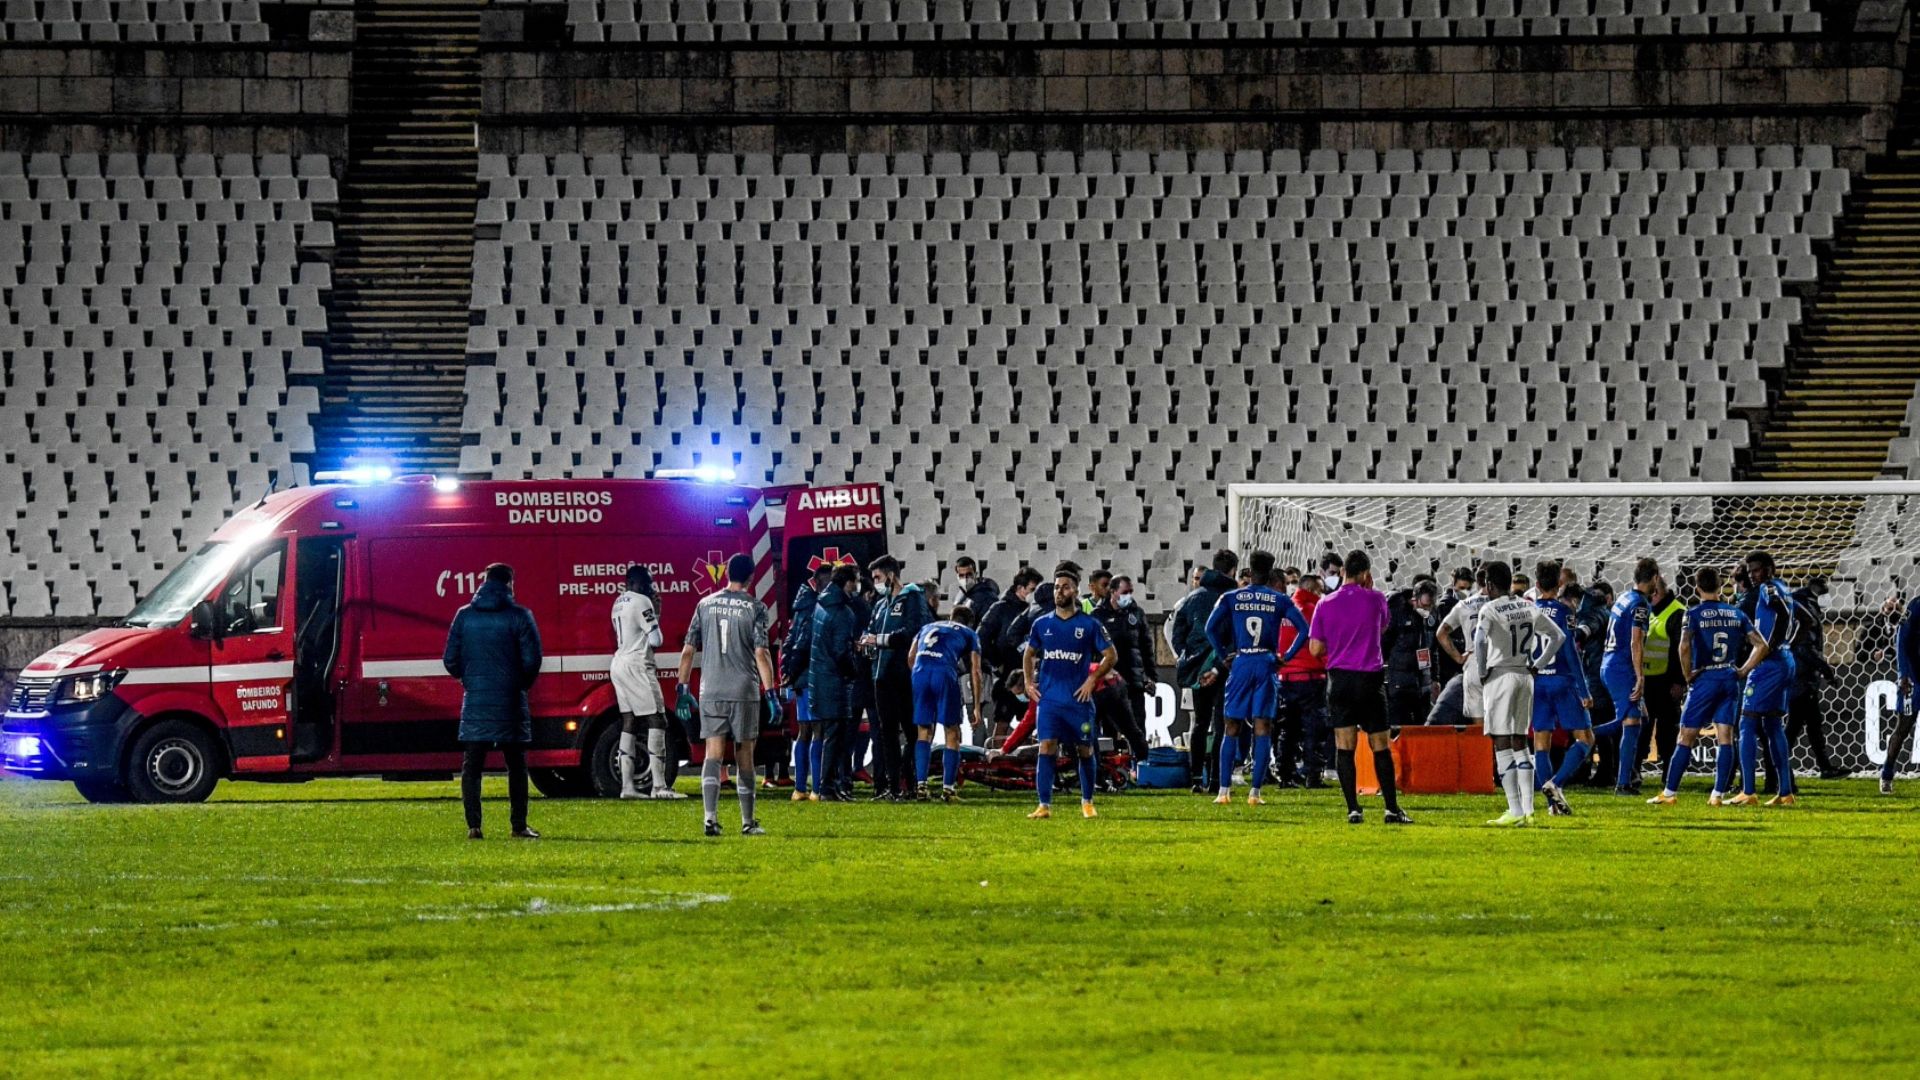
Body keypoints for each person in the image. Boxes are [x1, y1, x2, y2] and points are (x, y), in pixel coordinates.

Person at [1648, 566, 1769, 806]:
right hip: (1728, 678)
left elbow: (1683, 647)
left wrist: (1687, 675)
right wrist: (1743, 670)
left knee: (1686, 736)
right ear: (1720, 585)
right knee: (1726, 737)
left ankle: (1669, 793)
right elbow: (1762, 645)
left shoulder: (1692, 614)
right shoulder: (1735, 613)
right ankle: (1717, 795)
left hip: (1705, 679)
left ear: (1697, 588)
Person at [1308, 549, 1411, 825]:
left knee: (1344, 746)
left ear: (1343, 572)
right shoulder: (1376, 599)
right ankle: (1391, 809)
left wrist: (1338, 643)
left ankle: (1353, 808)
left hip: (1339, 680)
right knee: (1380, 745)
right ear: (1366, 574)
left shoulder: (1325, 603)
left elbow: (1315, 648)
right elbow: (1381, 629)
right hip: (1369, 679)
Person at [678, 553, 777, 837]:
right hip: (743, 690)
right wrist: (770, 692)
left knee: (713, 754)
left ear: (726, 574)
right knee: (744, 754)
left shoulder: (704, 604)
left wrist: (682, 688)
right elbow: (761, 652)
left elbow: (688, 651)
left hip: (711, 690)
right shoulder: (755, 608)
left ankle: (710, 819)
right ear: (751, 577)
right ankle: (747, 821)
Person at [442, 563, 542, 840]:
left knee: (472, 766)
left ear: (484, 581)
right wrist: (520, 684)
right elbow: (533, 660)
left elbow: (450, 659)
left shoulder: (464, 616)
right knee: (516, 766)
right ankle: (518, 825)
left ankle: (474, 826)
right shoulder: (520, 616)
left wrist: (470, 680)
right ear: (510, 583)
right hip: (511, 700)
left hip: (476, 701)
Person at [1203, 550, 1309, 805]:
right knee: (1263, 726)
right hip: (1266, 662)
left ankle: (1223, 791)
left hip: (1241, 661)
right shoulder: (1279, 599)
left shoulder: (1231, 597)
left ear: (1249, 571)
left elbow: (1210, 628)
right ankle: (1255, 793)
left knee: (1231, 726)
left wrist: (1224, 654)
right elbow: (1304, 629)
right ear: (1271, 572)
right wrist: (1287, 656)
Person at [1021, 567, 1117, 820]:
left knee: (1084, 750)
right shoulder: (1042, 624)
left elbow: (1111, 655)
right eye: (1056, 587)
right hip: (1050, 700)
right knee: (1046, 747)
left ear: (1075, 590)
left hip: (1078, 701)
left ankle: (1087, 802)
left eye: (1064, 586)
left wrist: (1092, 680)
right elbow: (1028, 654)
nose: (1059, 591)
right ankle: (1044, 805)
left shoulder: (1088, 625)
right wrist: (1029, 683)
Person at [1474, 561, 1564, 827]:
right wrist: (1538, 665)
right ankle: (1528, 810)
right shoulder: (1527, 605)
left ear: (1489, 584)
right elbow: (1557, 637)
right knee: (1520, 743)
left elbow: (1479, 641)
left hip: (1500, 676)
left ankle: (1514, 809)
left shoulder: (1489, 609)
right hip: (1525, 676)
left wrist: (1481, 671)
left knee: (1502, 742)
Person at [861, 554, 932, 801]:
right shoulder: (881, 605)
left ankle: (912, 783)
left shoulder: (913, 597)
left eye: (878, 577)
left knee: (911, 732)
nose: (876, 583)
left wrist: (880, 640)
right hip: (880, 676)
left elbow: (916, 630)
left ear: (891, 575)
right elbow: (870, 631)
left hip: (903, 674)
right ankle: (893, 787)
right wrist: (866, 641)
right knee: (886, 732)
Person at [610, 564, 679, 800]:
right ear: (636, 582)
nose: (651, 587)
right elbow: (656, 640)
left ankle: (627, 787)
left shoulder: (618, 602)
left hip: (618, 662)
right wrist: (657, 613)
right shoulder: (642, 601)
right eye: (648, 582)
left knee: (628, 720)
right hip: (638, 665)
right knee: (657, 718)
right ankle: (659, 786)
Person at [1736, 551, 1799, 807]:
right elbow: (1797, 618)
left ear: (1770, 569)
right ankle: (1785, 793)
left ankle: (1748, 791)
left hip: (1770, 663)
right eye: (1750, 571)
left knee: (1746, 724)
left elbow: (1783, 614)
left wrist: (1769, 646)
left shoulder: (1769, 590)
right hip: (1785, 660)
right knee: (1773, 726)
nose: (1753, 575)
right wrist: (1784, 643)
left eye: (1757, 570)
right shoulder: (1784, 588)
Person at [1172, 549, 1238, 793]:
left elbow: (1177, 633)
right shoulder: (1232, 598)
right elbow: (1234, 637)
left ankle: (1196, 778)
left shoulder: (1192, 598)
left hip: (1198, 671)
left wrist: (1188, 657)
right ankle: (1217, 781)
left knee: (1200, 723)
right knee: (1222, 724)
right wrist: (1220, 663)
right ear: (1232, 570)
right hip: (1224, 667)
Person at [1532, 576, 1595, 816]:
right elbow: (1569, 649)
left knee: (1541, 743)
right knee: (1586, 739)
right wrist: (1584, 689)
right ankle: (1556, 784)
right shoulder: (1564, 611)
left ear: (1537, 584)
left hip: (1537, 682)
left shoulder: (1528, 609)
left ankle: (1552, 806)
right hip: (1562, 680)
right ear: (1557, 586)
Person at [1597, 558, 1661, 795]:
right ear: (1654, 577)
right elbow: (1636, 642)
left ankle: (1589, 735)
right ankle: (1623, 782)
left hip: (1609, 663)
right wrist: (1640, 676)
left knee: (1639, 718)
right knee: (1632, 722)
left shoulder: (1624, 597)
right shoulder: (1641, 605)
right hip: (1621, 668)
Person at [908, 605, 983, 801]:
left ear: (951, 616)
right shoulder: (970, 633)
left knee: (924, 731)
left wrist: (919, 678)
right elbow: (975, 671)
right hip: (944, 673)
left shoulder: (927, 626)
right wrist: (976, 706)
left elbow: (910, 657)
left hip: (920, 672)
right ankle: (948, 790)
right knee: (952, 731)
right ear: (969, 622)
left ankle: (921, 787)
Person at [806, 565, 863, 802]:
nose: (858, 585)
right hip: (834, 681)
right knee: (836, 737)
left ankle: (828, 786)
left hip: (819, 677)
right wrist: (853, 672)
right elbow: (841, 652)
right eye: (856, 581)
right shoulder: (843, 612)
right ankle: (828, 787)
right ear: (847, 582)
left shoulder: (821, 604)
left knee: (829, 735)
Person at [1091, 572, 1154, 763]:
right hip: (1108, 682)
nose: (1129, 596)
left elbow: (1146, 647)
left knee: (1136, 726)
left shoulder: (1137, 614)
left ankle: (1140, 766)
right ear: (1113, 592)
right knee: (1109, 728)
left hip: (1134, 679)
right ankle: (1108, 767)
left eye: (1131, 592)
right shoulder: (1097, 616)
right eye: (1125, 591)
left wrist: (1151, 676)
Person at [1786, 577, 1845, 780]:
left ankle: (1825, 767)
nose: (1827, 596)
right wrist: (1827, 671)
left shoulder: (1802, 603)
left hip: (1802, 675)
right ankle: (1775, 766)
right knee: (1794, 726)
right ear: (1815, 590)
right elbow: (1805, 648)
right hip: (1802, 676)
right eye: (1824, 592)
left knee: (1813, 724)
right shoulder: (1805, 607)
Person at [1277, 570, 1330, 787]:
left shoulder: (1285, 610)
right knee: (1314, 728)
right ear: (1313, 590)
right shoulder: (1316, 611)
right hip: (1311, 677)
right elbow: (1322, 645)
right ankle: (1312, 774)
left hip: (1285, 677)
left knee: (1287, 729)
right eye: (1321, 590)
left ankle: (1285, 774)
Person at [979, 567, 1040, 750]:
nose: (1034, 594)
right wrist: (996, 664)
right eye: (1032, 590)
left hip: (1030, 676)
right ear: (1020, 588)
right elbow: (981, 637)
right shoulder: (1000, 609)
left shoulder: (1034, 611)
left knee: (1031, 723)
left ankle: (1028, 763)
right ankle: (997, 762)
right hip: (1008, 677)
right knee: (1002, 721)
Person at [1640, 579, 1686, 780]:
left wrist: (1679, 682)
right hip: (1646, 680)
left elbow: (1681, 651)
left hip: (1667, 682)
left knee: (1667, 731)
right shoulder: (1647, 609)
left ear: (1658, 591)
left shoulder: (1677, 612)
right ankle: (1634, 773)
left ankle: (1669, 774)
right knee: (1642, 729)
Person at [1437, 567, 1491, 728]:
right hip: (1498, 663)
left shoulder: (1464, 605)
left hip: (1472, 664)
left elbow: (1441, 633)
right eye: (1462, 588)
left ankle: (1483, 751)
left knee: (1479, 726)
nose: (1465, 591)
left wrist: (1460, 658)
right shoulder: (1501, 604)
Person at [1383, 580, 1437, 729]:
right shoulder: (1398, 614)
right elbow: (1385, 642)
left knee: (1422, 727)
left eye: (1431, 605)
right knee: (1400, 726)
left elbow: (1432, 648)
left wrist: (1434, 678)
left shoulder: (1429, 618)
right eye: (1425, 605)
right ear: (1415, 599)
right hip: (1400, 682)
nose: (1428, 609)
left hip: (1422, 683)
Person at [1881, 590, 1920, 794]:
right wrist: (1903, 673)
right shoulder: (1916, 606)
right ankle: (1887, 775)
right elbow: (1901, 639)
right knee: (1902, 728)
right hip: (1913, 680)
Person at [1431, 567, 1475, 689]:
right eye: (1461, 588)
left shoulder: (1473, 604)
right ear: (1453, 584)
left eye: (1468, 588)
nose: (1465, 592)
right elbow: (1440, 636)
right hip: (1449, 665)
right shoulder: (1444, 606)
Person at [950, 556, 1000, 620]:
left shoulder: (988, 596)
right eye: (961, 575)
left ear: (975, 574)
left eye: (969, 574)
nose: (965, 579)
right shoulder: (960, 593)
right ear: (957, 577)